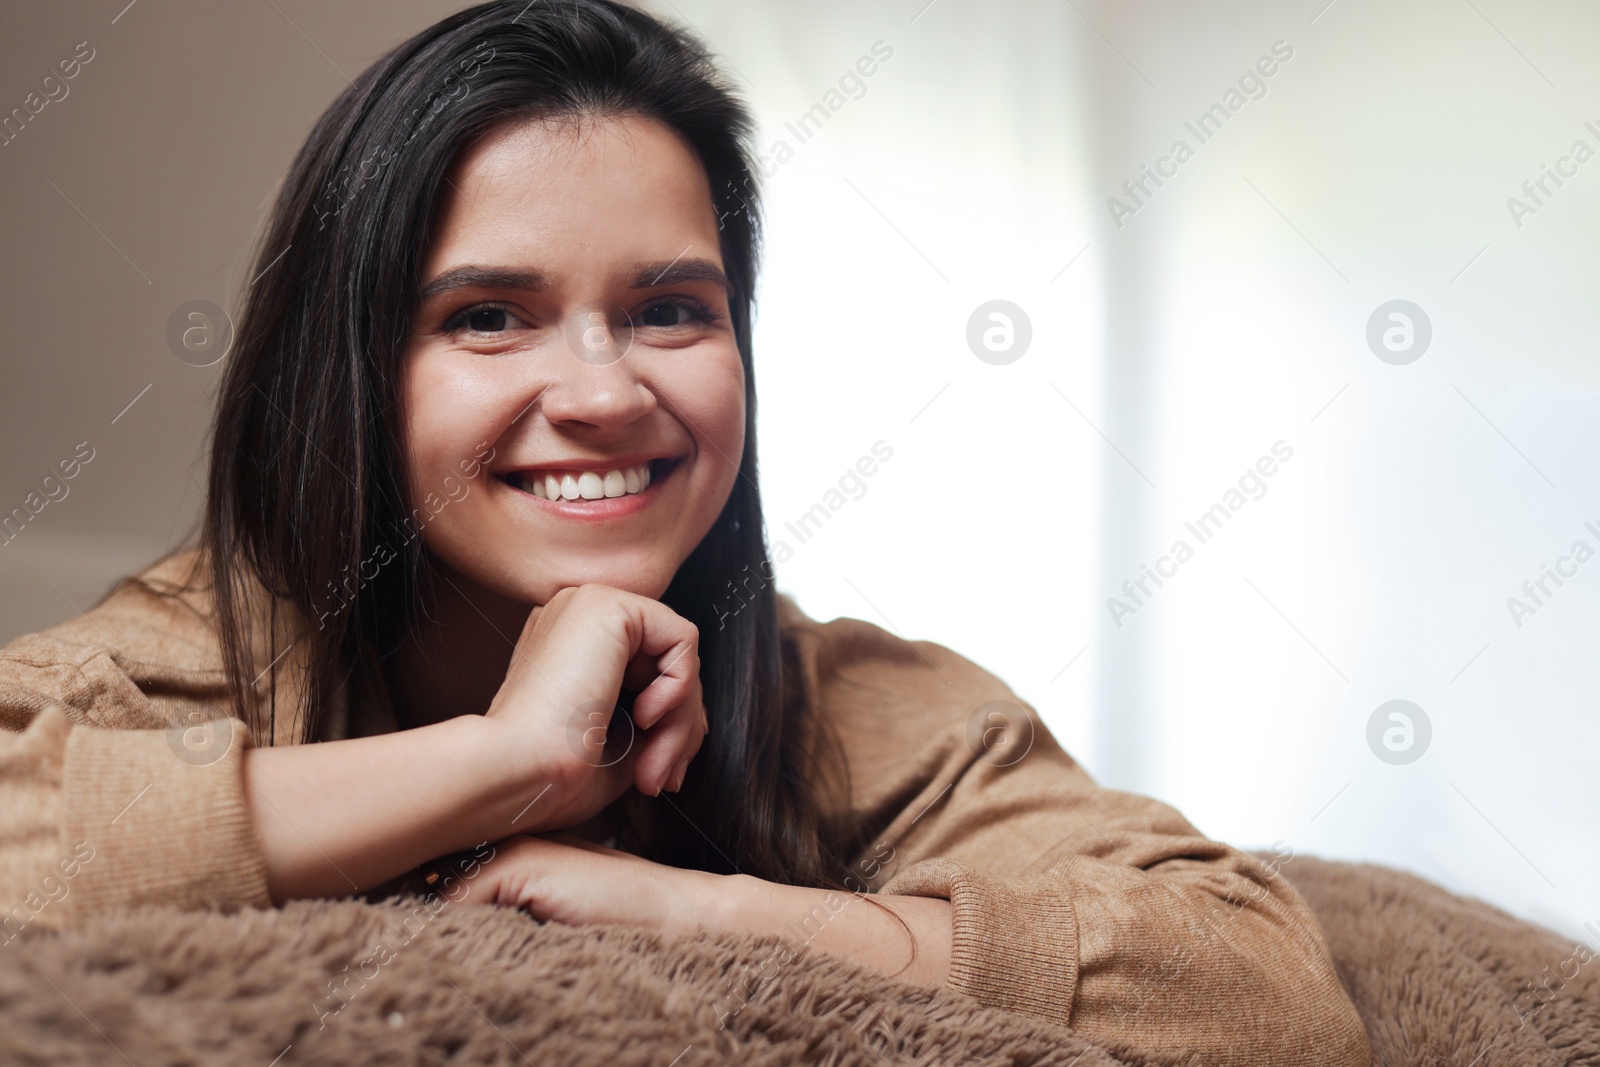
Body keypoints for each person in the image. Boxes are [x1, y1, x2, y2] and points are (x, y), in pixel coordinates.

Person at [0, 2, 1369, 1062]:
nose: (606, 392)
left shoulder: (855, 704)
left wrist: (713, 916)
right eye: (488, 315)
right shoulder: (169, 667)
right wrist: (499, 763)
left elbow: (1267, 1003)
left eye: (671, 309)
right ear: (344, 374)